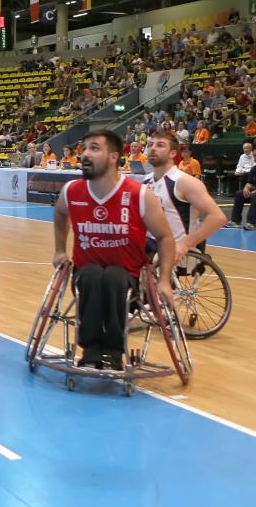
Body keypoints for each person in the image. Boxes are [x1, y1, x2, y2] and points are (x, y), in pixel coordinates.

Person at [53, 130, 176, 370]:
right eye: (85, 148)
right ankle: (90, 350)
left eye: (94, 148)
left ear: (113, 157)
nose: (85, 154)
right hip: (85, 273)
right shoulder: (71, 190)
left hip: (127, 278)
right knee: (90, 275)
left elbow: (165, 237)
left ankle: (113, 351)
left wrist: (164, 281)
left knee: (113, 277)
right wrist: (59, 250)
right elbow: (59, 213)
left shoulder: (139, 194)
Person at [145, 133, 224, 261]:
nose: (153, 148)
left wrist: (185, 244)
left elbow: (218, 217)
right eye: (150, 145)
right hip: (148, 244)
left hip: (175, 248)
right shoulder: (145, 181)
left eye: (160, 145)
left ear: (172, 153)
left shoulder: (184, 182)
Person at [226, 141, 256, 230]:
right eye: (255, 155)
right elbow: (249, 183)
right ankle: (235, 221)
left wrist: (255, 191)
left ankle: (251, 223)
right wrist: (246, 188)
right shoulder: (254, 169)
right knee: (239, 194)